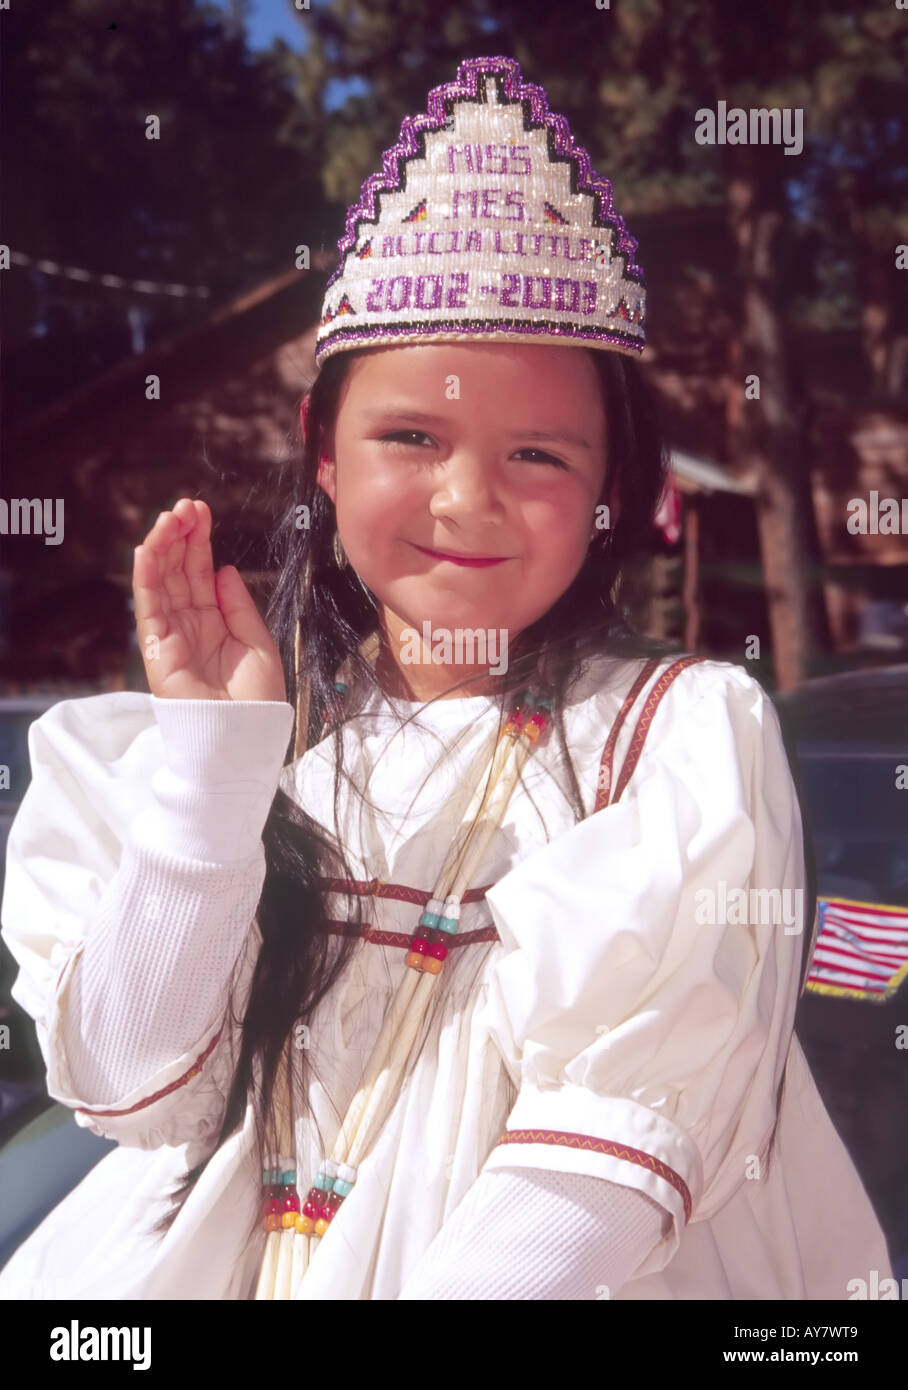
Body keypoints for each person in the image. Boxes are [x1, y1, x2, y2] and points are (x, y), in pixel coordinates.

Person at [0, 54, 891, 1301]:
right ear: (320, 450)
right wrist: (213, 770)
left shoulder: (670, 736)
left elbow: (604, 1160)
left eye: (536, 453)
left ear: (609, 494)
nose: (466, 501)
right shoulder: (257, 741)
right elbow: (131, 1085)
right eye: (409, 436)